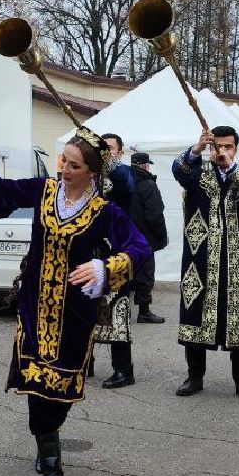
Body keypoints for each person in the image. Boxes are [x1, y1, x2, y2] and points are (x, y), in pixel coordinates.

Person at [0, 128, 150, 476]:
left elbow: (139, 247)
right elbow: (0, 190)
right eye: (63, 161)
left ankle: (47, 438)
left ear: (92, 172)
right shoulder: (44, 192)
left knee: (61, 389)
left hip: (75, 314)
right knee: (37, 384)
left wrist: (103, 267)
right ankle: (52, 465)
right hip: (34, 307)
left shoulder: (104, 212)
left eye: (75, 165)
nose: (65, 169)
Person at [173, 124, 239, 401]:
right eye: (218, 146)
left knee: (237, 314)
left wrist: (231, 169)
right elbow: (178, 171)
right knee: (194, 309)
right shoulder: (196, 171)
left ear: (236, 149)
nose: (222, 151)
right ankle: (195, 376)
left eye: (228, 147)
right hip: (198, 257)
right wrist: (198, 148)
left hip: (233, 259)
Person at [96, 133, 142, 388]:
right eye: (101, 150)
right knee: (83, 308)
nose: (104, 153)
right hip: (89, 253)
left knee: (118, 310)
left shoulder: (125, 174)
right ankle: (84, 362)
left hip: (117, 254)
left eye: (109, 149)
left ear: (120, 153)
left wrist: (106, 160)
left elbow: (125, 184)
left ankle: (124, 370)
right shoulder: (90, 178)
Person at [128, 151, 168, 324]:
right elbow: (155, 215)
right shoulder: (148, 184)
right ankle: (144, 311)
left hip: (124, 236)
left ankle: (118, 309)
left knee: (124, 272)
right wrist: (161, 237)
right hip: (144, 238)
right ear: (145, 165)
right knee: (145, 274)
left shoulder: (123, 183)